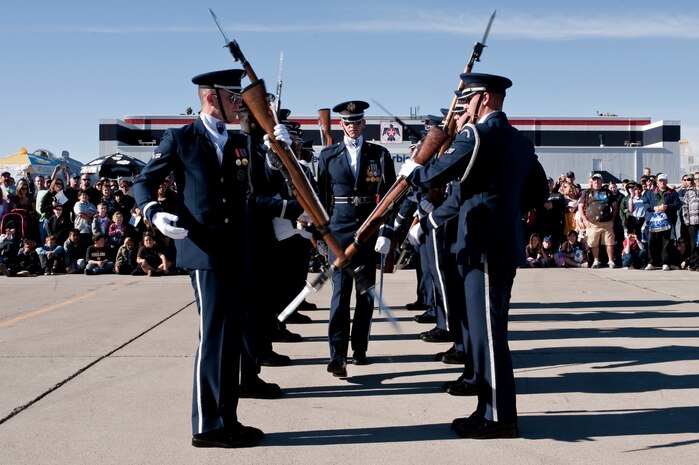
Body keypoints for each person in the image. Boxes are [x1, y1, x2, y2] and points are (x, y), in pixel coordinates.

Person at [400, 73, 548, 439]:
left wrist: (413, 172)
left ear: (483, 99)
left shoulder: (476, 135)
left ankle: (499, 417)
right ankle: (488, 409)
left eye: (467, 100)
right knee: (488, 332)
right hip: (499, 243)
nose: (463, 108)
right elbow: (537, 190)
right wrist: (504, 209)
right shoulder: (519, 140)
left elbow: (438, 173)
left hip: (481, 246)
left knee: (487, 335)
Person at [133, 68, 270, 448]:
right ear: (212, 98)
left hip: (237, 249)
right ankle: (207, 426)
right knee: (213, 337)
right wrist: (153, 212)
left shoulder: (240, 141)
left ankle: (228, 418)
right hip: (205, 251)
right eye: (233, 97)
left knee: (231, 340)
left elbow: (249, 194)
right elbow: (144, 180)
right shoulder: (182, 138)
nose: (239, 103)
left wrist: (290, 214)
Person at [317, 100, 397, 376]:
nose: (352, 126)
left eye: (357, 121)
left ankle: (359, 348)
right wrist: (321, 238)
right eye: (348, 122)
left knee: (365, 294)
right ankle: (337, 356)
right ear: (341, 125)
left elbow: (390, 199)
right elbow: (321, 199)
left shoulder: (379, 154)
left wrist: (386, 232)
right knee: (340, 295)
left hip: (368, 228)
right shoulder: (328, 156)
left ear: (364, 123)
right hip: (338, 230)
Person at [578, 173, 617, 268]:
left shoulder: (608, 192)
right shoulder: (586, 193)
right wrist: (585, 220)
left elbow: (615, 206)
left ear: (602, 181)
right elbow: (580, 206)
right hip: (592, 223)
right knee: (593, 242)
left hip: (607, 222)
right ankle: (596, 260)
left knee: (609, 242)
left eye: (598, 180)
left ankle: (610, 261)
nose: (596, 182)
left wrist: (612, 219)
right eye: (594, 180)